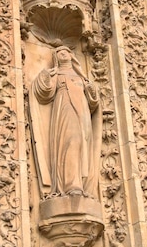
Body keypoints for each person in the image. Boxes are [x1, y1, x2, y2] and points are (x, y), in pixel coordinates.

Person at [30, 46, 101, 198]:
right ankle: (70, 184)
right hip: (65, 108)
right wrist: (45, 76)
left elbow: (92, 103)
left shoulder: (82, 77)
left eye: (66, 51)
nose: (62, 53)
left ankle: (81, 184)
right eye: (59, 52)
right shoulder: (56, 74)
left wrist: (92, 91)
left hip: (82, 113)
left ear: (71, 55)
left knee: (82, 144)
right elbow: (44, 92)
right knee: (71, 141)